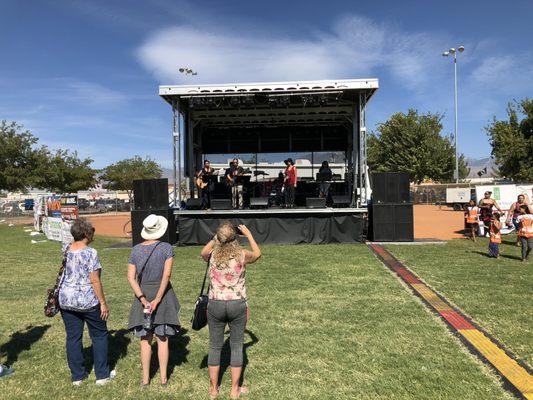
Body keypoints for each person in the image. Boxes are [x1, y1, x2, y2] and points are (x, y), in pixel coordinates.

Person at [200, 222, 261, 399]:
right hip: (237, 304)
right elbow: (257, 254)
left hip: (216, 304)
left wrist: (216, 239)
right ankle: (234, 390)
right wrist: (249, 234)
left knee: (214, 346)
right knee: (236, 347)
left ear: (219, 238)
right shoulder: (242, 254)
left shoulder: (212, 254)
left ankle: (213, 389)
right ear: (235, 238)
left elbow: (203, 252)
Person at [58, 218, 115, 386]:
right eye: (91, 230)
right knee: (99, 335)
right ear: (85, 234)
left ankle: (78, 377)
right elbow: (95, 280)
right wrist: (103, 303)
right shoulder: (91, 252)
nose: (93, 233)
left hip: (66, 299)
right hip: (87, 301)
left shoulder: (66, 248)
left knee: (73, 337)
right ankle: (102, 375)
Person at [127, 214, 180, 388]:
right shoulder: (166, 248)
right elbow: (167, 275)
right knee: (162, 337)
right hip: (162, 294)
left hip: (142, 293)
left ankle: (145, 379)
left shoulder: (135, 250)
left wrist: (142, 298)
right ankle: (164, 379)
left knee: (145, 338)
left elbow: (131, 277)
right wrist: (157, 298)